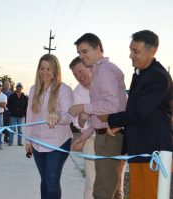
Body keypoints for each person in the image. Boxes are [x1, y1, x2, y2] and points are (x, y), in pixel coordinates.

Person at [98, 30, 173, 199]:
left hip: (155, 151)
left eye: (136, 51)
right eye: (131, 50)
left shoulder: (158, 77)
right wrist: (119, 124)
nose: (131, 55)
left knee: (152, 195)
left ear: (152, 51)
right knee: (137, 195)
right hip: (139, 148)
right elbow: (137, 112)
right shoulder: (141, 74)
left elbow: (139, 112)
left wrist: (110, 119)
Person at [69, 33, 127, 199]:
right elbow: (100, 118)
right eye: (79, 53)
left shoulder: (105, 71)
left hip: (110, 138)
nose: (82, 56)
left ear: (98, 48)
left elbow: (112, 107)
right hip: (105, 136)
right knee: (112, 190)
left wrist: (83, 107)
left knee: (102, 191)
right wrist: (84, 136)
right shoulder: (100, 71)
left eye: (85, 51)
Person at [25, 54, 73, 199]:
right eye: (42, 68)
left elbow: (69, 116)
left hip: (58, 143)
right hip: (38, 142)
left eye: (48, 69)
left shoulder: (64, 89)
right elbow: (30, 116)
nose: (44, 72)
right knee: (44, 180)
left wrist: (58, 116)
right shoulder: (34, 89)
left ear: (55, 71)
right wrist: (28, 140)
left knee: (52, 181)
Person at [69, 56, 95, 199]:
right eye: (75, 74)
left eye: (80, 71)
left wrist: (85, 109)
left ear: (89, 67)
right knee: (91, 181)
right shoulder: (77, 92)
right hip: (90, 139)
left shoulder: (106, 83)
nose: (79, 76)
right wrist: (81, 118)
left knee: (116, 182)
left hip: (114, 139)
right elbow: (77, 122)